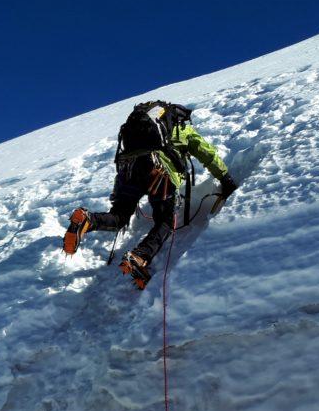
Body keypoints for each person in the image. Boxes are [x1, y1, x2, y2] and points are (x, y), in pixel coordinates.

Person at [63, 101, 238, 289]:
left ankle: (88, 220)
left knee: (120, 216)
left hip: (127, 169)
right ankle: (140, 256)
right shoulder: (179, 129)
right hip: (158, 170)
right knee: (165, 220)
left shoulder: (137, 128)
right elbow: (206, 152)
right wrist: (225, 179)